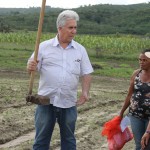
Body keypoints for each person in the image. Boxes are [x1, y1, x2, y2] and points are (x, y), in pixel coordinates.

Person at [26, 10, 93, 150]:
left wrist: (85, 92)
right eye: (70, 27)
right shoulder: (43, 47)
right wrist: (30, 66)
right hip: (45, 101)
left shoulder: (80, 50)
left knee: (69, 141)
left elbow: (86, 73)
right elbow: (31, 69)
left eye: (75, 27)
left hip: (69, 102)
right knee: (41, 141)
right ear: (60, 28)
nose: (74, 31)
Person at [119, 49, 150, 150]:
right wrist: (121, 112)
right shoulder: (136, 74)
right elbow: (129, 94)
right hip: (135, 115)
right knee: (139, 144)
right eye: (140, 60)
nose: (141, 62)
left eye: (144, 60)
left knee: (147, 144)